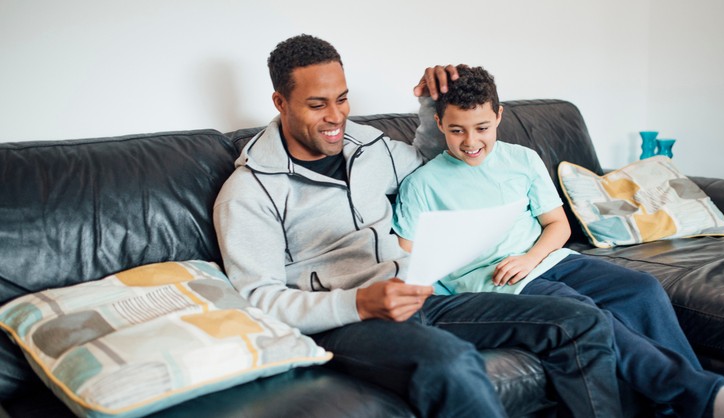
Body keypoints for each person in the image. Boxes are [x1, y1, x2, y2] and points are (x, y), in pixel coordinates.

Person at [213, 34, 624, 418]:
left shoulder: (368, 146)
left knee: (578, 320)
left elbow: (432, 163)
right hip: (344, 322)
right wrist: (357, 303)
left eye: (342, 99)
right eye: (317, 105)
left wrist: (432, 101)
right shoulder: (248, 193)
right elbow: (259, 301)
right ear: (280, 103)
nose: (336, 116)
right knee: (452, 363)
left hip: (419, 296)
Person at [391, 64, 724, 418]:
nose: (471, 141)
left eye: (482, 127)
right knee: (585, 313)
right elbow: (410, 260)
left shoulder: (522, 160)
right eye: (457, 130)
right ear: (440, 124)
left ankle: (685, 405)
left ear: (499, 116)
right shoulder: (422, 184)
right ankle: (707, 398)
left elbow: (557, 225)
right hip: (495, 279)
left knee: (643, 289)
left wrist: (532, 256)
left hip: (545, 259)